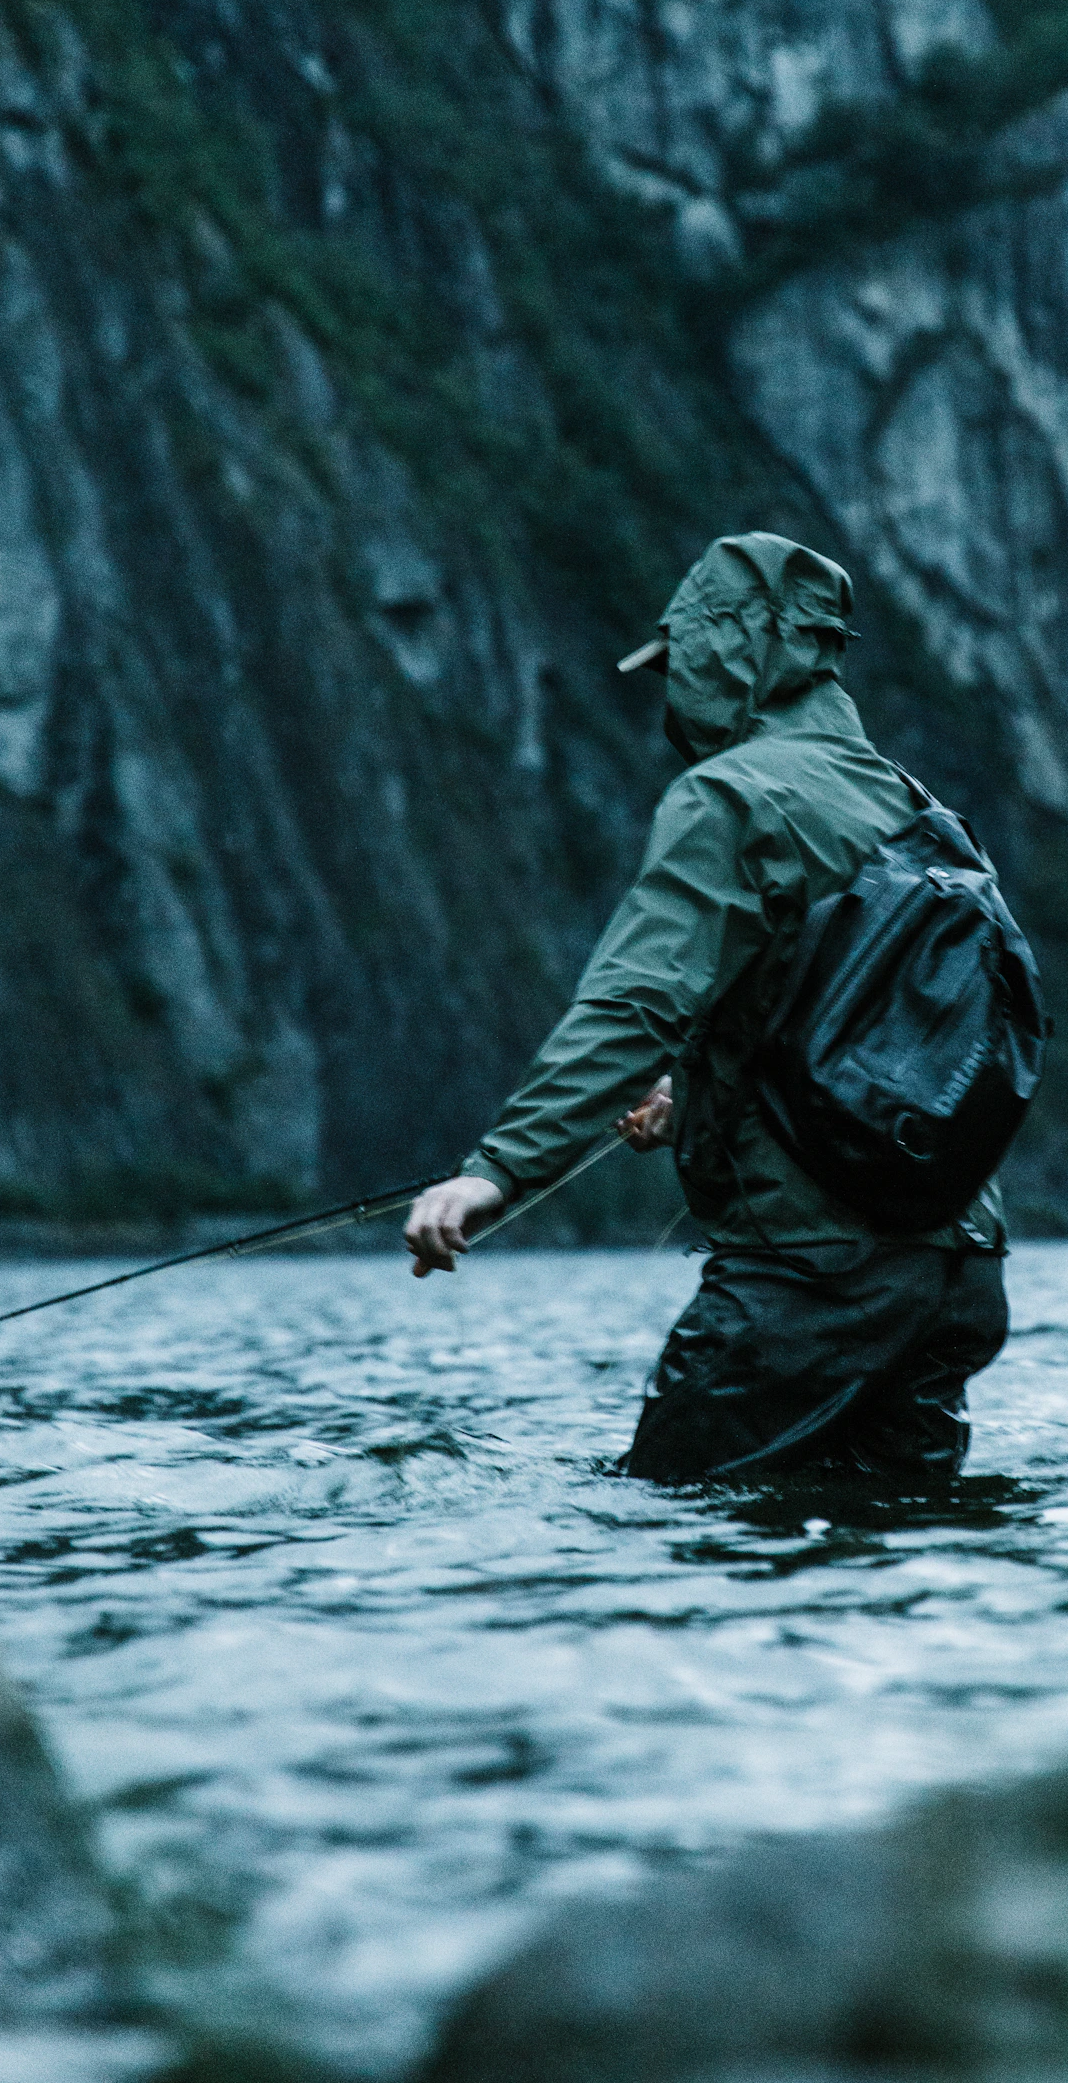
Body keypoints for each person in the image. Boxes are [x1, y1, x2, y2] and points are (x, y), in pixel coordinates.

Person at [404, 533, 1009, 1483]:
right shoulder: (916, 807)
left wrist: (498, 1173)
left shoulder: (732, 798)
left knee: (671, 1526)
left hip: (809, 1276)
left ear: (727, 648)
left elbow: (635, 1003)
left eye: (677, 661)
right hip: (960, 1269)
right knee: (898, 1538)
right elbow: (872, 1033)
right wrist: (692, 1100)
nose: (672, 689)